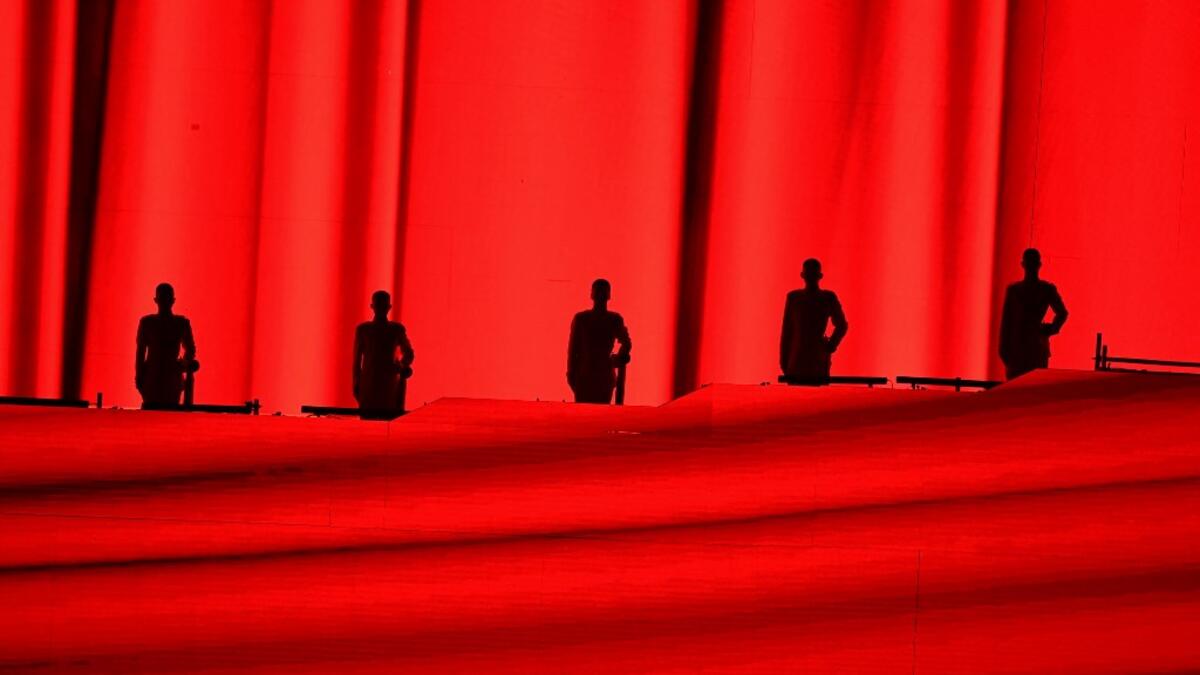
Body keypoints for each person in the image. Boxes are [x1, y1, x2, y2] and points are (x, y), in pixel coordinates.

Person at [999, 248, 1068, 380]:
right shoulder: (1044, 289)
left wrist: (1050, 329)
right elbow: (1062, 313)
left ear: (1023, 264)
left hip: (1026, 349)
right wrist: (1051, 329)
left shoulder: (1015, 291)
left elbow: (1006, 324)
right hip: (1029, 349)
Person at [779, 258, 848, 383]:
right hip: (807, 360)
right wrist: (830, 345)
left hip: (804, 360)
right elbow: (787, 331)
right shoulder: (796, 298)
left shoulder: (796, 298)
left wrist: (831, 345)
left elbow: (787, 332)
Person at [567, 279, 632, 404]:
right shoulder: (582, 319)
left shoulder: (613, 319)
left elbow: (626, 342)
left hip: (602, 376)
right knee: (587, 412)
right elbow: (573, 349)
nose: (600, 295)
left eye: (603, 291)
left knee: (599, 412)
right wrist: (571, 374)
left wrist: (620, 357)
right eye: (598, 291)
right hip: (586, 376)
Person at [135, 282, 197, 408]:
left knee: (155, 412)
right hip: (164, 378)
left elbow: (140, 352)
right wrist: (183, 365)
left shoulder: (148, 323)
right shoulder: (180, 323)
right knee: (169, 413)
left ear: (155, 300)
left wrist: (139, 376)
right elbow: (190, 349)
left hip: (157, 378)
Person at [352, 290, 414, 413]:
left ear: (388, 307)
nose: (381, 308)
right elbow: (356, 361)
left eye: (383, 305)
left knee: (387, 417)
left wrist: (401, 366)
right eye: (378, 305)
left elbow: (409, 353)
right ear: (373, 306)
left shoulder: (396, 329)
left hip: (389, 383)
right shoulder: (364, 330)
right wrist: (356, 383)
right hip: (370, 382)